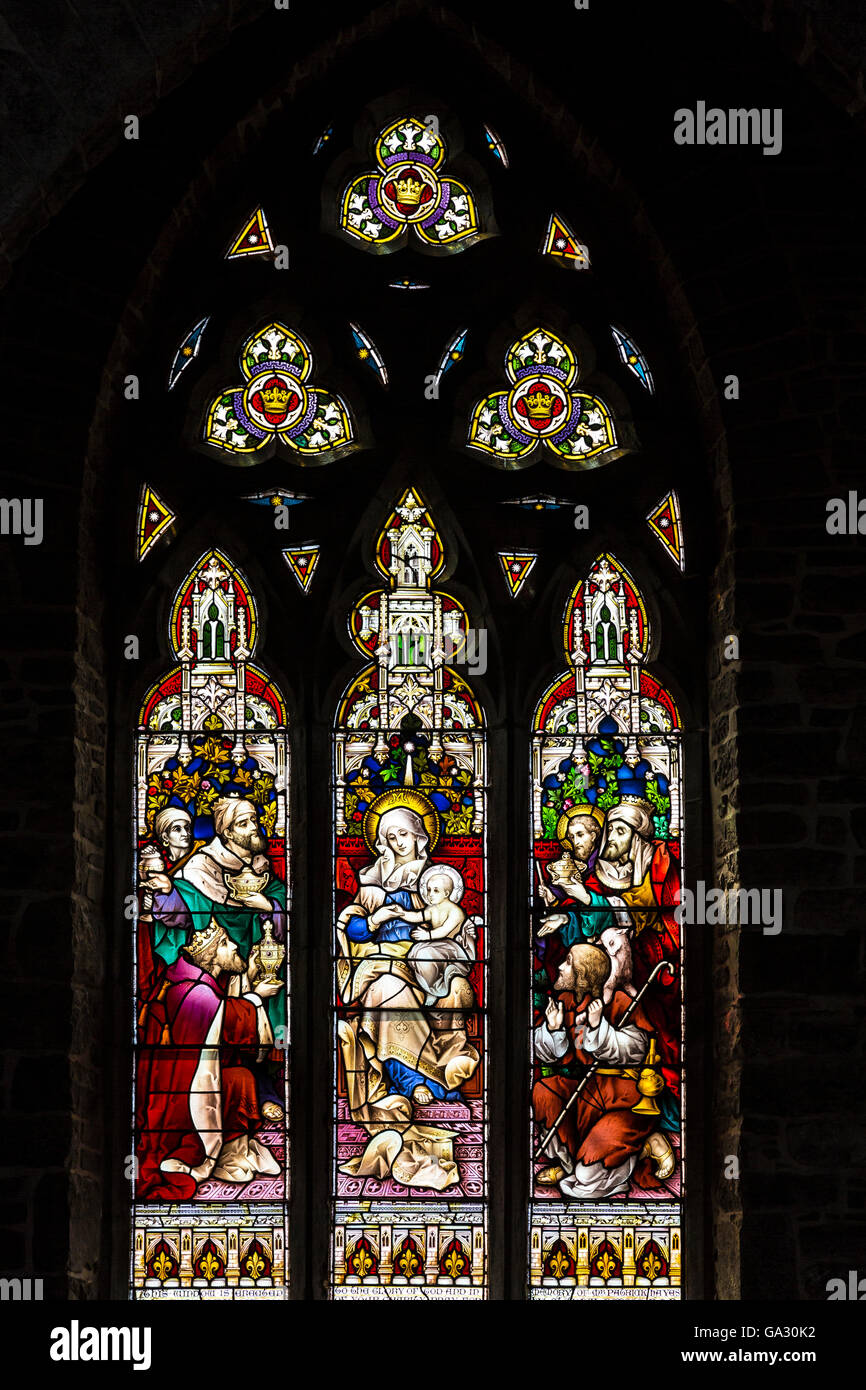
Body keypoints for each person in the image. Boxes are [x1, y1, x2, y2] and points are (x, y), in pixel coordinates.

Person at [136, 920, 284, 1201]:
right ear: (213, 955)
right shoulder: (193, 991)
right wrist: (255, 997)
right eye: (227, 944)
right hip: (180, 1100)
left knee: (240, 1077)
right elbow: (228, 1020)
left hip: (190, 1084)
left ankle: (233, 1153)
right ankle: (210, 1157)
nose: (235, 948)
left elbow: (220, 1032)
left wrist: (250, 974)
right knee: (240, 1079)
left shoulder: (196, 983)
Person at [532, 944, 675, 1199]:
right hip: (584, 1091)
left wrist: (599, 1027)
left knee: (587, 1180)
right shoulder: (563, 1004)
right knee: (545, 1091)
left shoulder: (620, 1003)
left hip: (622, 1100)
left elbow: (637, 1049)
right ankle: (567, 1166)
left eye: (568, 963)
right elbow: (547, 1054)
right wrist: (553, 1030)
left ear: (583, 975)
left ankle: (642, 1147)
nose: (560, 967)